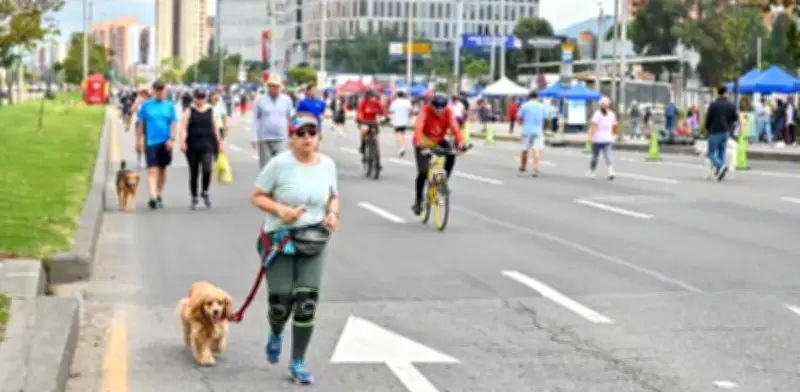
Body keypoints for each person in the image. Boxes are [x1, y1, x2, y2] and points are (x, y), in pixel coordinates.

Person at [251, 114, 339, 385]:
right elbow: (257, 196)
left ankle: (297, 361)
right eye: (301, 133)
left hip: (314, 239)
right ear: (292, 138)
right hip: (280, 239)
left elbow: (333, 196)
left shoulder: (327, 164)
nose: (307, 138)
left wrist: (332, 213)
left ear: (319, 137)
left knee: (306, 302)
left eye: (312, 133)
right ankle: (276, 331)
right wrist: (281, 210)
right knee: (280, 303)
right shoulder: (279, 164)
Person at [410, 93, 466, 215]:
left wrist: (461, 143)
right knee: (423, 172)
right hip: (424, 141)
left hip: (439, 140)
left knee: (451, 153)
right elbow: (419, 127)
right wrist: (419, 142)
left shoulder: (448, 112)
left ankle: (443, 182)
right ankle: (418, 200)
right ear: (431, 105)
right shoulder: (425, 111)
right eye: (436, 107)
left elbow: (455, 128)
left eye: (442, 107)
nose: (439, 110)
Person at [137, 80, 178, 209]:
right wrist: (139, 140)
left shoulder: (169, 106)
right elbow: (141, 124)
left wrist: (172, 139)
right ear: (154, 91)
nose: (160, 92)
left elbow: (173, 123)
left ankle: (159, 193)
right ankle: (153, 196)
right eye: (157, 90)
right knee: (151, 169)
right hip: (150, 141)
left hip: (165, 142)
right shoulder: (146, 105)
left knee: (162, 169)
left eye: (162, 90)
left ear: (165, 91)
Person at [179, 89, 223, 209]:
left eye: (203, 97)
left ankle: (205, 191)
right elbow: (183, 128)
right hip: (192, 145)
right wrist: (182, 142)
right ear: (194, 98)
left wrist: (220, 143)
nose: (201, 99)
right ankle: (194, 197)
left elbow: (215, 128)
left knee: (207, 168)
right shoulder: (189, 111)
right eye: (198, 97)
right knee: (194, 172)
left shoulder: (210, 111)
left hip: (208, 144)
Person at [252, 75, 295, 168]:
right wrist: (254, 137)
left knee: (280, 166)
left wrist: (294, 135)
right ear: (269, 86)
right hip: (264, 138)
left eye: (277, 86)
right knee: (266, 167)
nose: (275, 88)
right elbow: (255, 119)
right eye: (273, 86)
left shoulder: (286, 100)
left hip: (281, 138)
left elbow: (291, 118)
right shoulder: (261, 100)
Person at [704, 86, 738, 181]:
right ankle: (719, 172)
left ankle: (721, 166)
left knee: (710, 153)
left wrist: (707, 129)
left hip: (715, 130)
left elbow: (708, 118)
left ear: (718, 94)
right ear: (726, 93)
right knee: (721, 152)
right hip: (726, 131)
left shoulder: (714, 105)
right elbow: (735, 118)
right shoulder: (731, 105)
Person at [517, 91, 549, 177]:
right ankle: (535, 169)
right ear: (537, 97)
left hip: (526, 131)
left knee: (524, 149)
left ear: (529, 97)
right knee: (536, 150)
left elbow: (519, 117)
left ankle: (523, 166)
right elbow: (546, 118)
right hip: (538, 131)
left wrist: (521, 123)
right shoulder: (542, 106)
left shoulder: (524, 105)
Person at [586, 96, 617, 180]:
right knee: (608, 155)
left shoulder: (598, 113)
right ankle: (611, 171)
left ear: (600, 104)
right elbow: (614, 126)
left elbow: (594, 126)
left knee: (595, 156)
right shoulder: (612, 114)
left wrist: (591, 137)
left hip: (597, 138)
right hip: (608, 138)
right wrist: (613, 135)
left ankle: (592, 172)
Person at [356, 89, 388, 159]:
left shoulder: (377, 102)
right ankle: (362, 145)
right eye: (372, 97)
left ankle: (376, 148)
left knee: (376, 134)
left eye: (374, 97)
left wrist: (386, 116)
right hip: (364, 121)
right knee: (363, 131)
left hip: (373, 121)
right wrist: (359, 119)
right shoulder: (363, 102)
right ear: (368, 96)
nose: (373, 98)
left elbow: (382, 110)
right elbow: (359, 111)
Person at [389, 90, 413, 157]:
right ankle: (403, 146)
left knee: (399, 134)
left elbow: (391, 110)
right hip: (405, 121)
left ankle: (402, 147)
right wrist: (409, 116)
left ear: (397, 95)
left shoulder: (395, 102)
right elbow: (411, 110)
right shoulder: (407, 102)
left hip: (397, 121)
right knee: (402, 133)